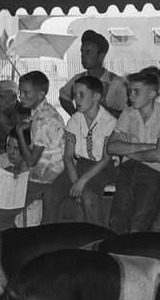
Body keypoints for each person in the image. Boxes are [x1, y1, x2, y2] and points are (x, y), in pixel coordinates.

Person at [0, 71, 65, 229]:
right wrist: (21, 163)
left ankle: (0, 230)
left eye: (26, 93)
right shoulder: (38, 112)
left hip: (43, 176)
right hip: (31, 169)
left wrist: (20, 132)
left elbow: (32, 160)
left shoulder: (45, 119)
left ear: (41, 94)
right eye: (21, 92)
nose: (21, 96)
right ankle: (4, 230)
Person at [106, 70, 160, 233]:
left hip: (156, 173)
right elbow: (111, 147)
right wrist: (147, 146)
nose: (130, 96)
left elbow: (159, 156)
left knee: (139, 224)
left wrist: (128, 151)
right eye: (130, 91)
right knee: (117, 222)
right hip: (130, 168)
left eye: (136, 92)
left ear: (152, 94)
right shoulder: (128, 113)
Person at [42, 75, 117, 225]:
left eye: (82, 94)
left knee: (88, 197)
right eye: (75, 95)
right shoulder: (75, 120)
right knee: (50, 195)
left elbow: (105, 159)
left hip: (102, 168)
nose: (77, 99)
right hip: (79, 165)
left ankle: (97, 237)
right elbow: (68, 157)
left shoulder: (109, 122)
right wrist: (75, 182)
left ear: (96, 97)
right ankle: (49, 237)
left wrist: (81, 182)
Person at [57, 30, 128, 116]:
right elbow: (64, 96)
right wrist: (75, 115)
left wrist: (99, 109)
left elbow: (128, 115)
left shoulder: (117, 83)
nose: (83, 56)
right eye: (82, 52)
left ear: (101, 56)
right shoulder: (78, 79)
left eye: (88, 52)